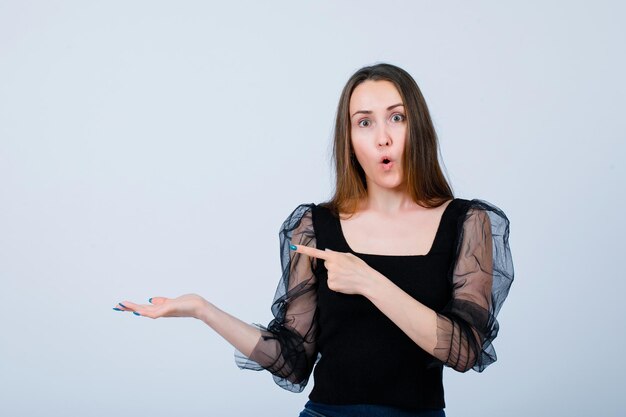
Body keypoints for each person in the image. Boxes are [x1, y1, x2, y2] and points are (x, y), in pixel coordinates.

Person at [113, 63, 514, 417]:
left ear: (418, 128)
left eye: (397, 118)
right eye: (364, 122)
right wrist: (203, 310)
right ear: (350, 140)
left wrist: (369, 282)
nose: (382, 138)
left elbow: (465, 350)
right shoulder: (314, 225)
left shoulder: (467, 222)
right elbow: (292, 360)